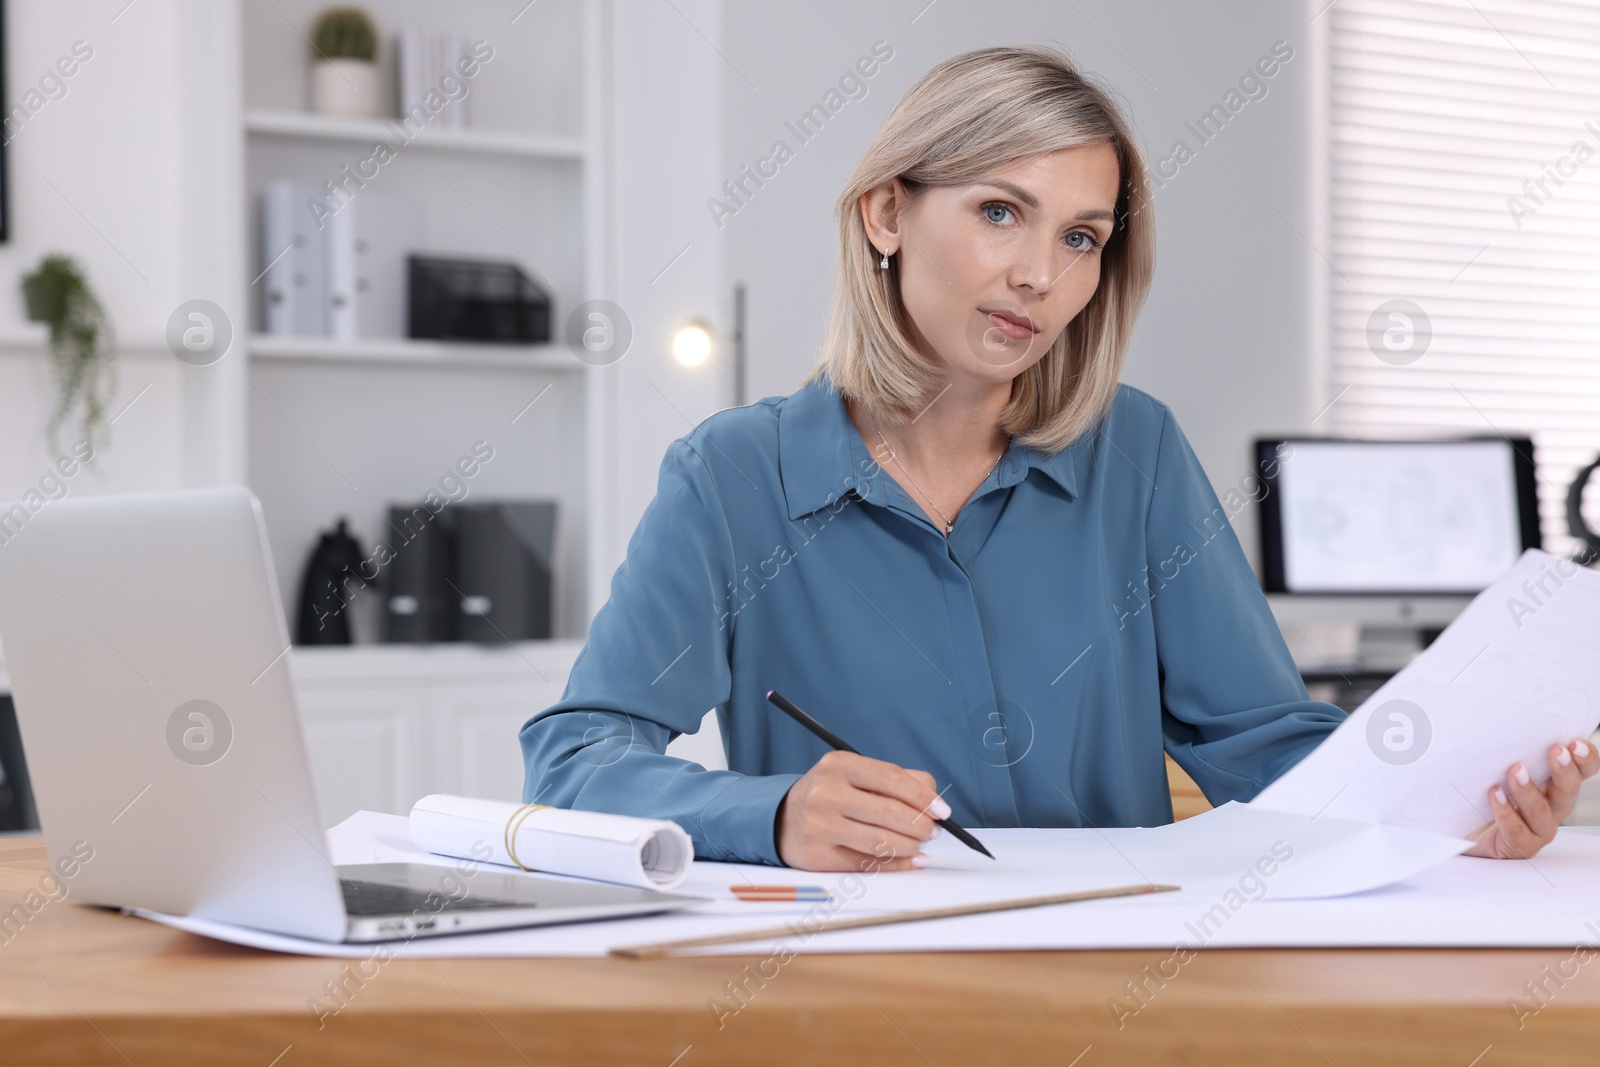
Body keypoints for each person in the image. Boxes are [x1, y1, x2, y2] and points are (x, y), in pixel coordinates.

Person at [519, 45, 1598, 872]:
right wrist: (768, 813)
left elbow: (1271, 748)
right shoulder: (732, 475)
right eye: (1001, 212)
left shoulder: (1135, 454)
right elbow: (572, 757)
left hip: (1110, 982)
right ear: (886, 211)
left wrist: (1458, 808)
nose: (1039, 273)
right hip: (850, 977)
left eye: (1080, 237)